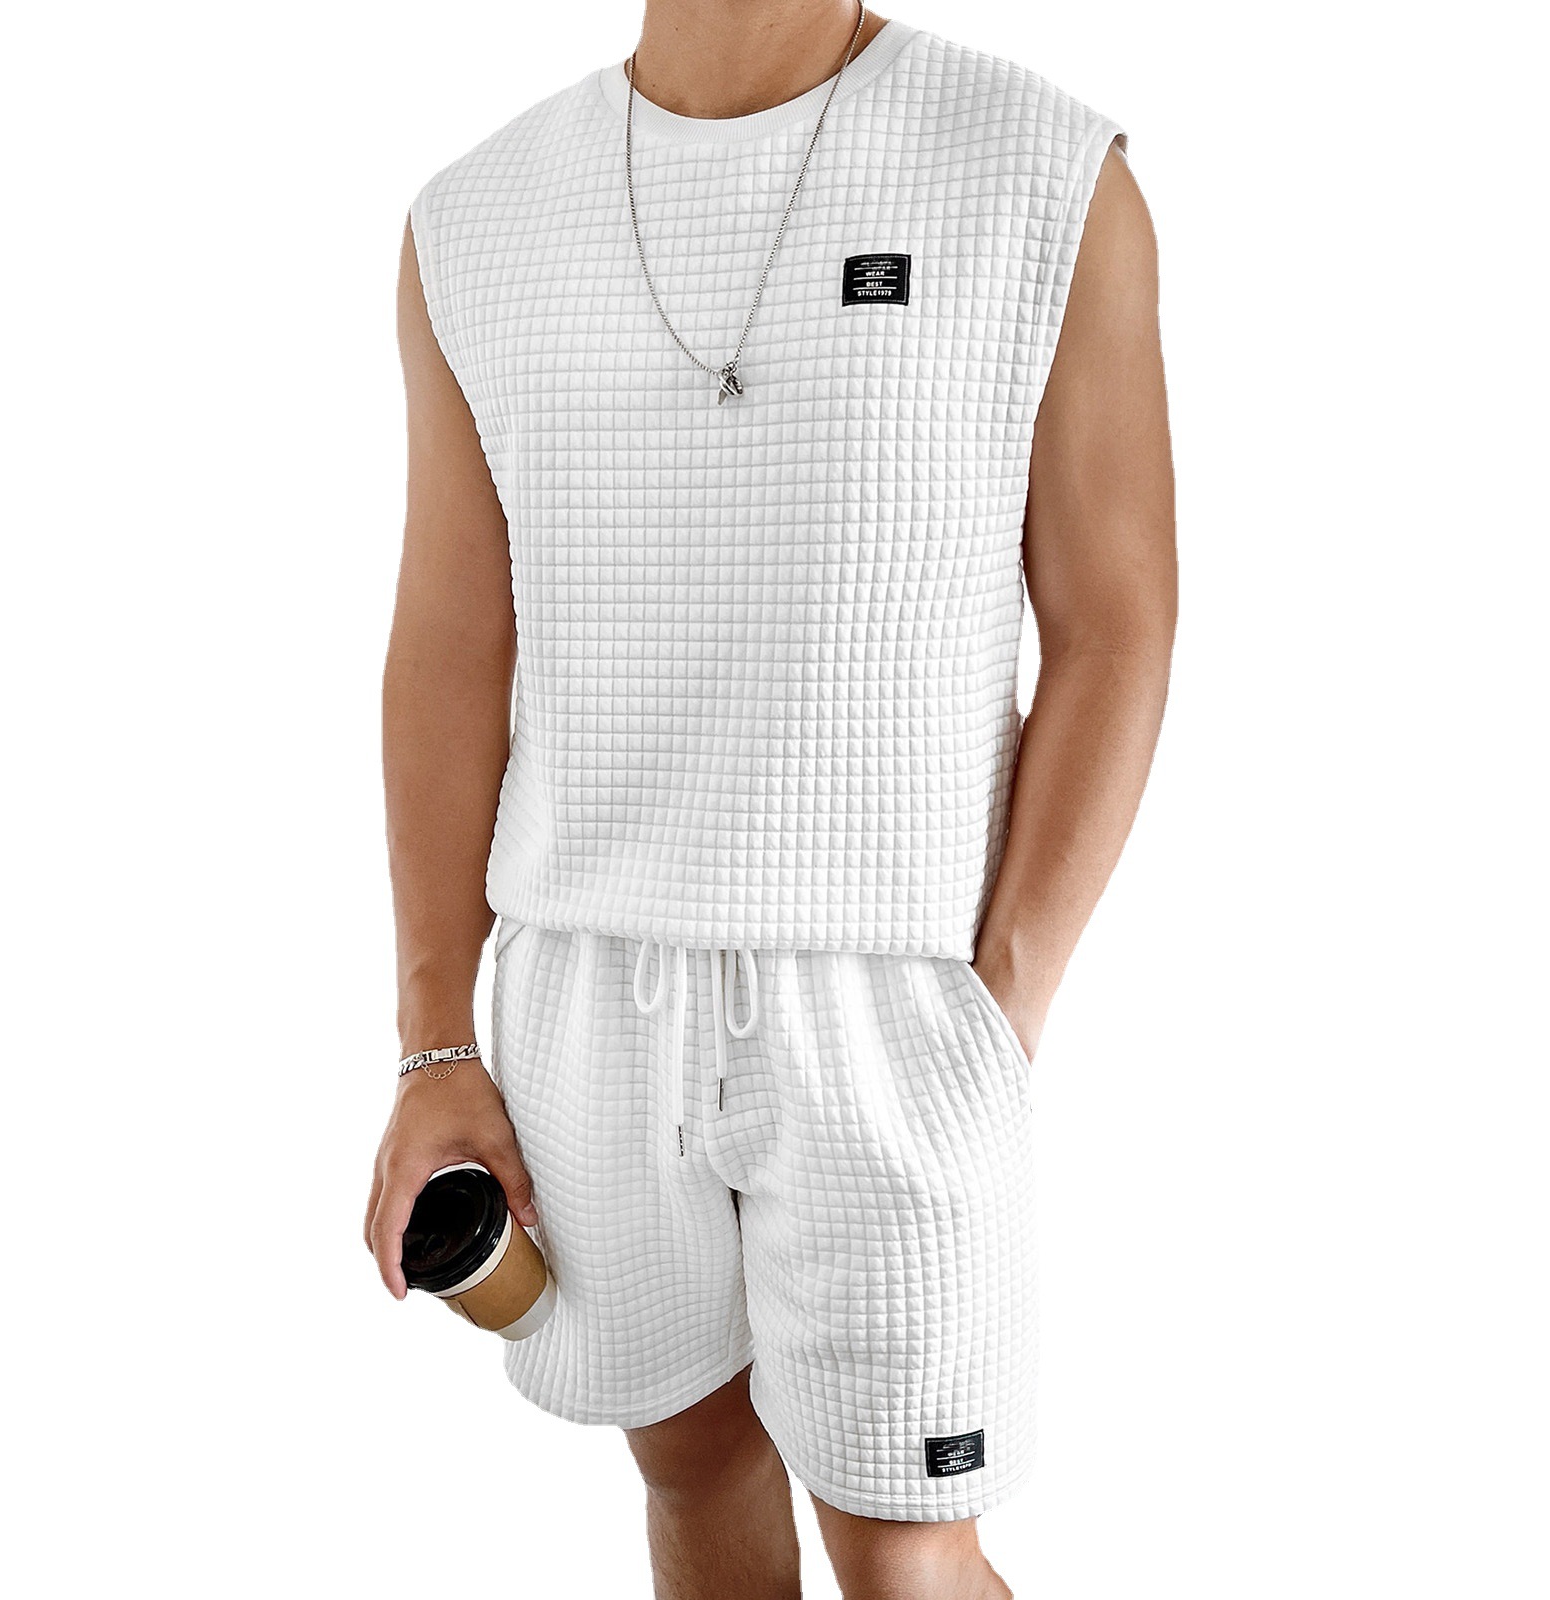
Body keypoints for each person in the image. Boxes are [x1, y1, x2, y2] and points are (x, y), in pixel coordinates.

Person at [365, 3, 1176, 1595]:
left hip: (899, 1006)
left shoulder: (1042, 171)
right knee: (692, 1468)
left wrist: (999, 1002)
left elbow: (1115, 619)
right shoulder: (475, 217)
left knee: (904, 1547)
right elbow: (450, 653)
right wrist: (433, 1046)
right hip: (590, 989)